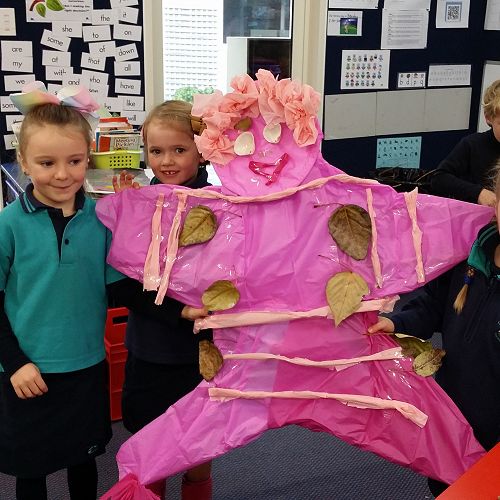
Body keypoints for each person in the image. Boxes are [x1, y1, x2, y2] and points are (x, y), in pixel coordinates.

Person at [0, 102, 124, 499]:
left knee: (83, 461)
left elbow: (121, 290)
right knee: (30, 469)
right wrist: (15, 363)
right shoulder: (8, 224)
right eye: (46, 162)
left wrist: (181, 307)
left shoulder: (102, 220)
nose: (62, 174)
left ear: (88, 157)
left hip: (85, 367)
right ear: (24, 161)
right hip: (27, 371)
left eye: (74, 161)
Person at [367, 166, 500, 497]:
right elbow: (433, 305)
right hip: (453, 420)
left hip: (494, 442)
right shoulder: (472, 255)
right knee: (446, 485)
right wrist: (397, 323)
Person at [108, 100, 214, 500]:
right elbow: (121, 286)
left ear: (201, 151)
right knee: (151, 447)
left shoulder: (221, 205)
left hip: (202, 351)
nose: (167, 160)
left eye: (179, 149)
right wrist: (126, 215)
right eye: (156, 151)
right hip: (150, 350)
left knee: (201, 443)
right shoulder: (139, 205)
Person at [431, 79, 500, 207]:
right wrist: (478, 193)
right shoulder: (473, 145)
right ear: (488, 118)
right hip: (479, 215)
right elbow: (439, 178)